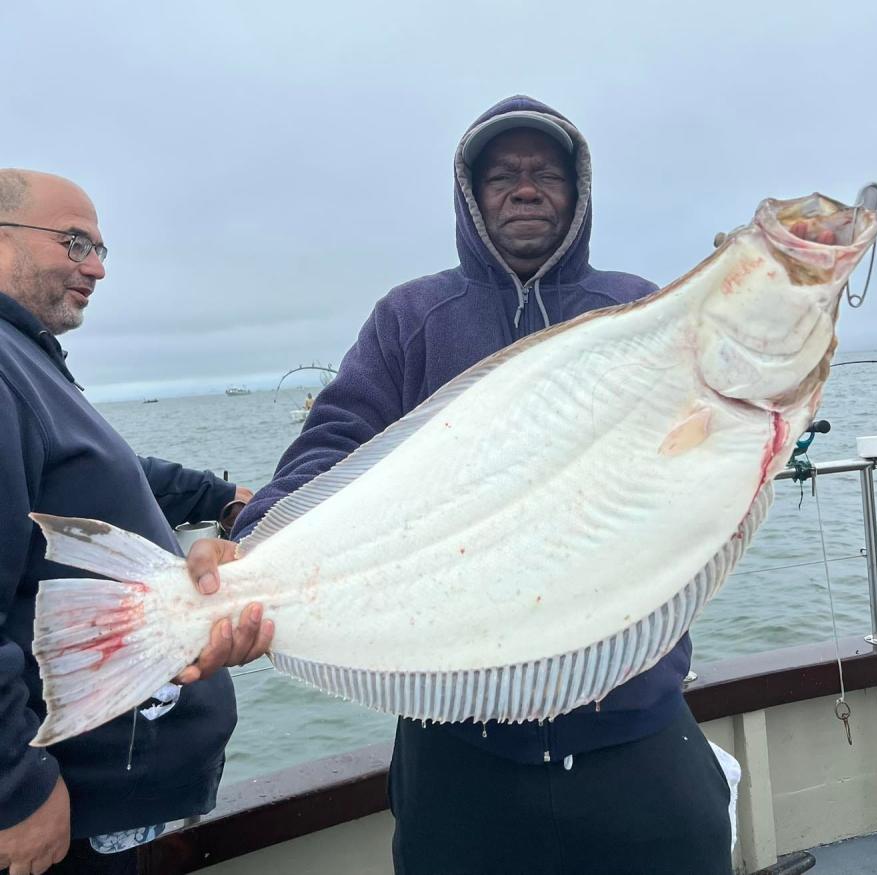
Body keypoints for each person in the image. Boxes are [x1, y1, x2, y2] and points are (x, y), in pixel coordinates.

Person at [184, 96, 735, 874]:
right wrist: (249, 550)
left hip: (635, 719)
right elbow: (333, 444)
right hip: (458, 738)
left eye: (547, 173)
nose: (525, 187)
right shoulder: (413, 317)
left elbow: (713, 442)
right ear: (470, 197)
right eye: (502, 174)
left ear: (579, 196)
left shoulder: (635, 308)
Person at [0, 169, 269, 875]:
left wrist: (221, 494)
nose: (96, 268)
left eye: (101, 250)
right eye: (75, 243)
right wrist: (15, 792)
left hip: (111, 807)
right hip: (62, 820)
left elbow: (101, 465)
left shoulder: (28, 360)